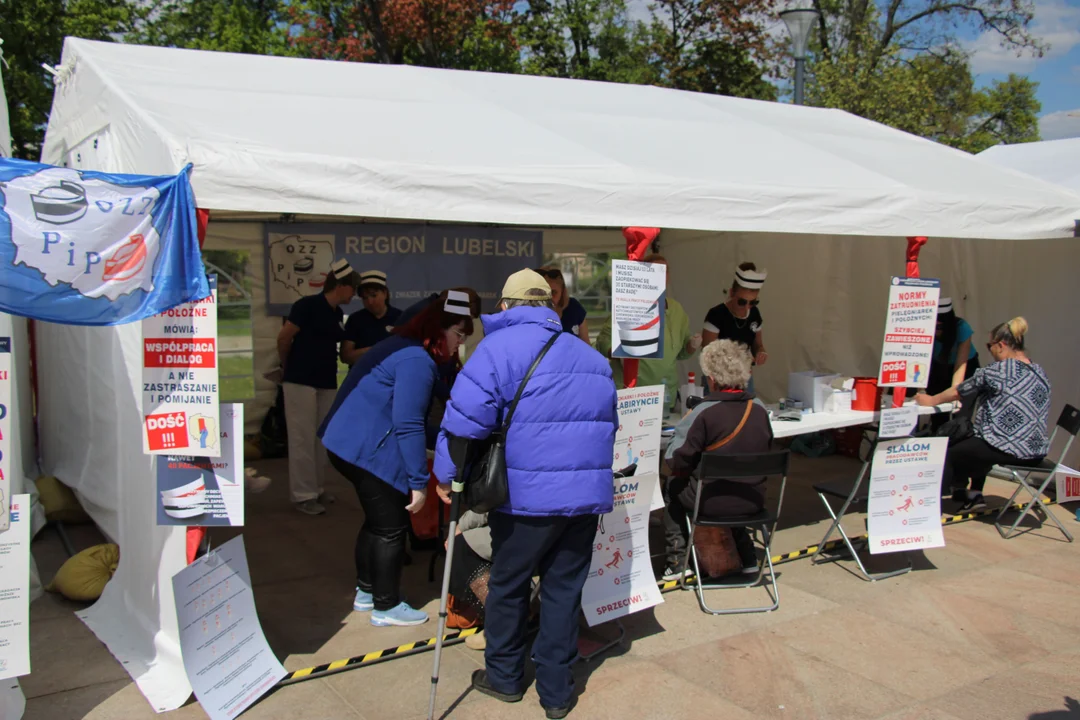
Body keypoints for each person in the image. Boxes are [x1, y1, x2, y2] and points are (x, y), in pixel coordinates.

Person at [434, 269, 618, 719]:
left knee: (509, 585)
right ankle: (556, 693)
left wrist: (445, 475)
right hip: (583, 498)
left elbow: (462, 425)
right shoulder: (589, 355)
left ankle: (504, 676)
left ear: (506, 306)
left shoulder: (494, 350)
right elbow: (608, 426)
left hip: (524, 500)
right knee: (563, 589)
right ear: (550, 306)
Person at [318, 297, 473, 627]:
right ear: (438, 329)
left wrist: (448, 437)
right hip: (363, 447)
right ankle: (385, 606)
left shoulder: (403, 346)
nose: (461, 343)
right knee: (391, 528)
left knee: (376, 521)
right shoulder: (418, 360)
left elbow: (412, 422)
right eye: (459, 334)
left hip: (346, 443)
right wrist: (418, 483)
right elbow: (409, 423)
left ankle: (366, 591)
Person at [661, 340, 773, 581]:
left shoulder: (703, 412)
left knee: (671, 487)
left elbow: (674, 460)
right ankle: (749, 558)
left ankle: (678, 562)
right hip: (753, 501)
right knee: (735, 482)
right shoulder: (760, 409)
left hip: (711, 502)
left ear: (710, 379)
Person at [916, 317, 1051, 512]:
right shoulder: (1039, 371)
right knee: (980, 441)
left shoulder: (998, 370)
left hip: (1008, 448)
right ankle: (973, 494)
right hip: (1036, 451)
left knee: (947, 451)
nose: (990, 351)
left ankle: (927, 507)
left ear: (1001, 345)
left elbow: (959, 391)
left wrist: (931, 400)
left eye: (990, 346)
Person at [276, 259, 358, 516]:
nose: (354, 295)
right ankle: (303, 495)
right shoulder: (306, 306)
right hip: (300, 379)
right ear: (341, 286)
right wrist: (286, 365)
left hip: (326, 379)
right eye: (352, 289)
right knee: (302, 437)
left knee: (321, 437)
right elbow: (284, 337)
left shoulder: (335, 314)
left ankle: (316, 487)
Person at [594, 254, 701, 413]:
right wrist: (620, 350)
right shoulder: (631, 304)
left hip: (666, 396)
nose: (661, 275)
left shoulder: (676, 309)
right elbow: (602, 342)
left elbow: (681, 354)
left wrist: (692, 346)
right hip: (634, 395)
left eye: (665, 271)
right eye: (656, 271)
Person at [702, 262, 768, 394]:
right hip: (719, 381)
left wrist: (761, 352)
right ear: (732, 293)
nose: (747, 307)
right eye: (742, 302)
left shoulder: (754, 314)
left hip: (744, 379)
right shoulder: (717, 314)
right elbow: (708, 352)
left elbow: (758, 344)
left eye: (753, 302)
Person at [341, 270, 401, 366]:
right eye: (365, 298)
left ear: (385, 293)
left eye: (374, 295)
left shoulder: (400, 318)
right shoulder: (355, 320)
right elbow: (346, 356)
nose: (370, 302)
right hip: (362, 377)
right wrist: (373, 350)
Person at [536, 266, 590, 342]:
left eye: (553, 292)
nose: (549, 297)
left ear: (562, 292)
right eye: (543, 292)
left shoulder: (574, 308)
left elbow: (586, 344)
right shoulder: (527, 314)